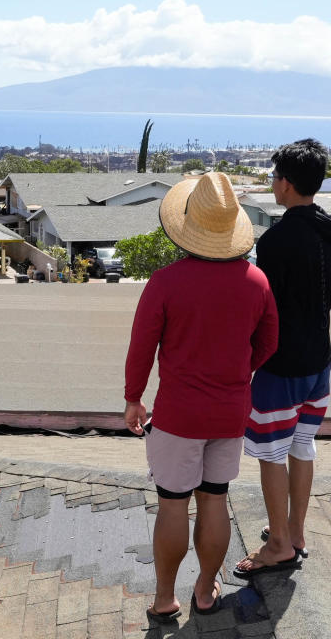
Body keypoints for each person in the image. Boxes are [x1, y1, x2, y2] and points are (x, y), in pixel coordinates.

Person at [124, 172, 278, 622]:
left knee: (173, 504)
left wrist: (134, 398)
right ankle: (207, 590)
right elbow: (268, 343)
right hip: (230, 411)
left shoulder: (165, 282)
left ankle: (164, 598)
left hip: (178, 415)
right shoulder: (257, 282)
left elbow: (142, 348)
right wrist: (237, 373)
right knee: (215, 498)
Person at [234, 139, 331, 579]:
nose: (273, 183)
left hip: (282, 365)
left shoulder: (276, 240)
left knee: (270, 454)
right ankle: (295, 531)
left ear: (286, 183)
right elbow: (328, 296)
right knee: (302, 445)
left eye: (275, 176)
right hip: (320, 360)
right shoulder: (330, 229)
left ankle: (278, 544)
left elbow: (263, 310)